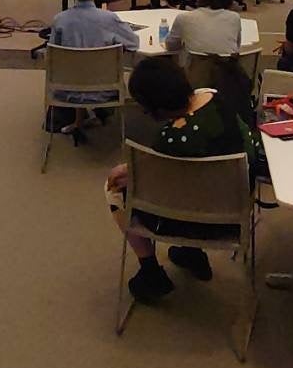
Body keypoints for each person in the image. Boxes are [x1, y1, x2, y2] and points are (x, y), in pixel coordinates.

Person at [106, 55, 251, 302]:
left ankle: (151, 272)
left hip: (187, 220)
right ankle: (191, 254)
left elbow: (154, 184)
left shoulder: (170, 140)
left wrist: (129, 170)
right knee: (194, 183)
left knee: (114, 191)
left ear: (154, 108)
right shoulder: (217, 98)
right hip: (234, 216)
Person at [48, 0, 139, 140]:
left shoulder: (59, 20)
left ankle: (79, 120)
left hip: (66, 90)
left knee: (77, 66)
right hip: (105, 89)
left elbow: (52, 57)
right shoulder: (109, 18)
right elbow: (133, 44)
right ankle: (95, 116)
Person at [166, 0, 243, 59]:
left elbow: (171, 46)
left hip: (193, 67)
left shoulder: (184, 18)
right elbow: (236, 47)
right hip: (227, 67)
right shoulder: (235, 18)